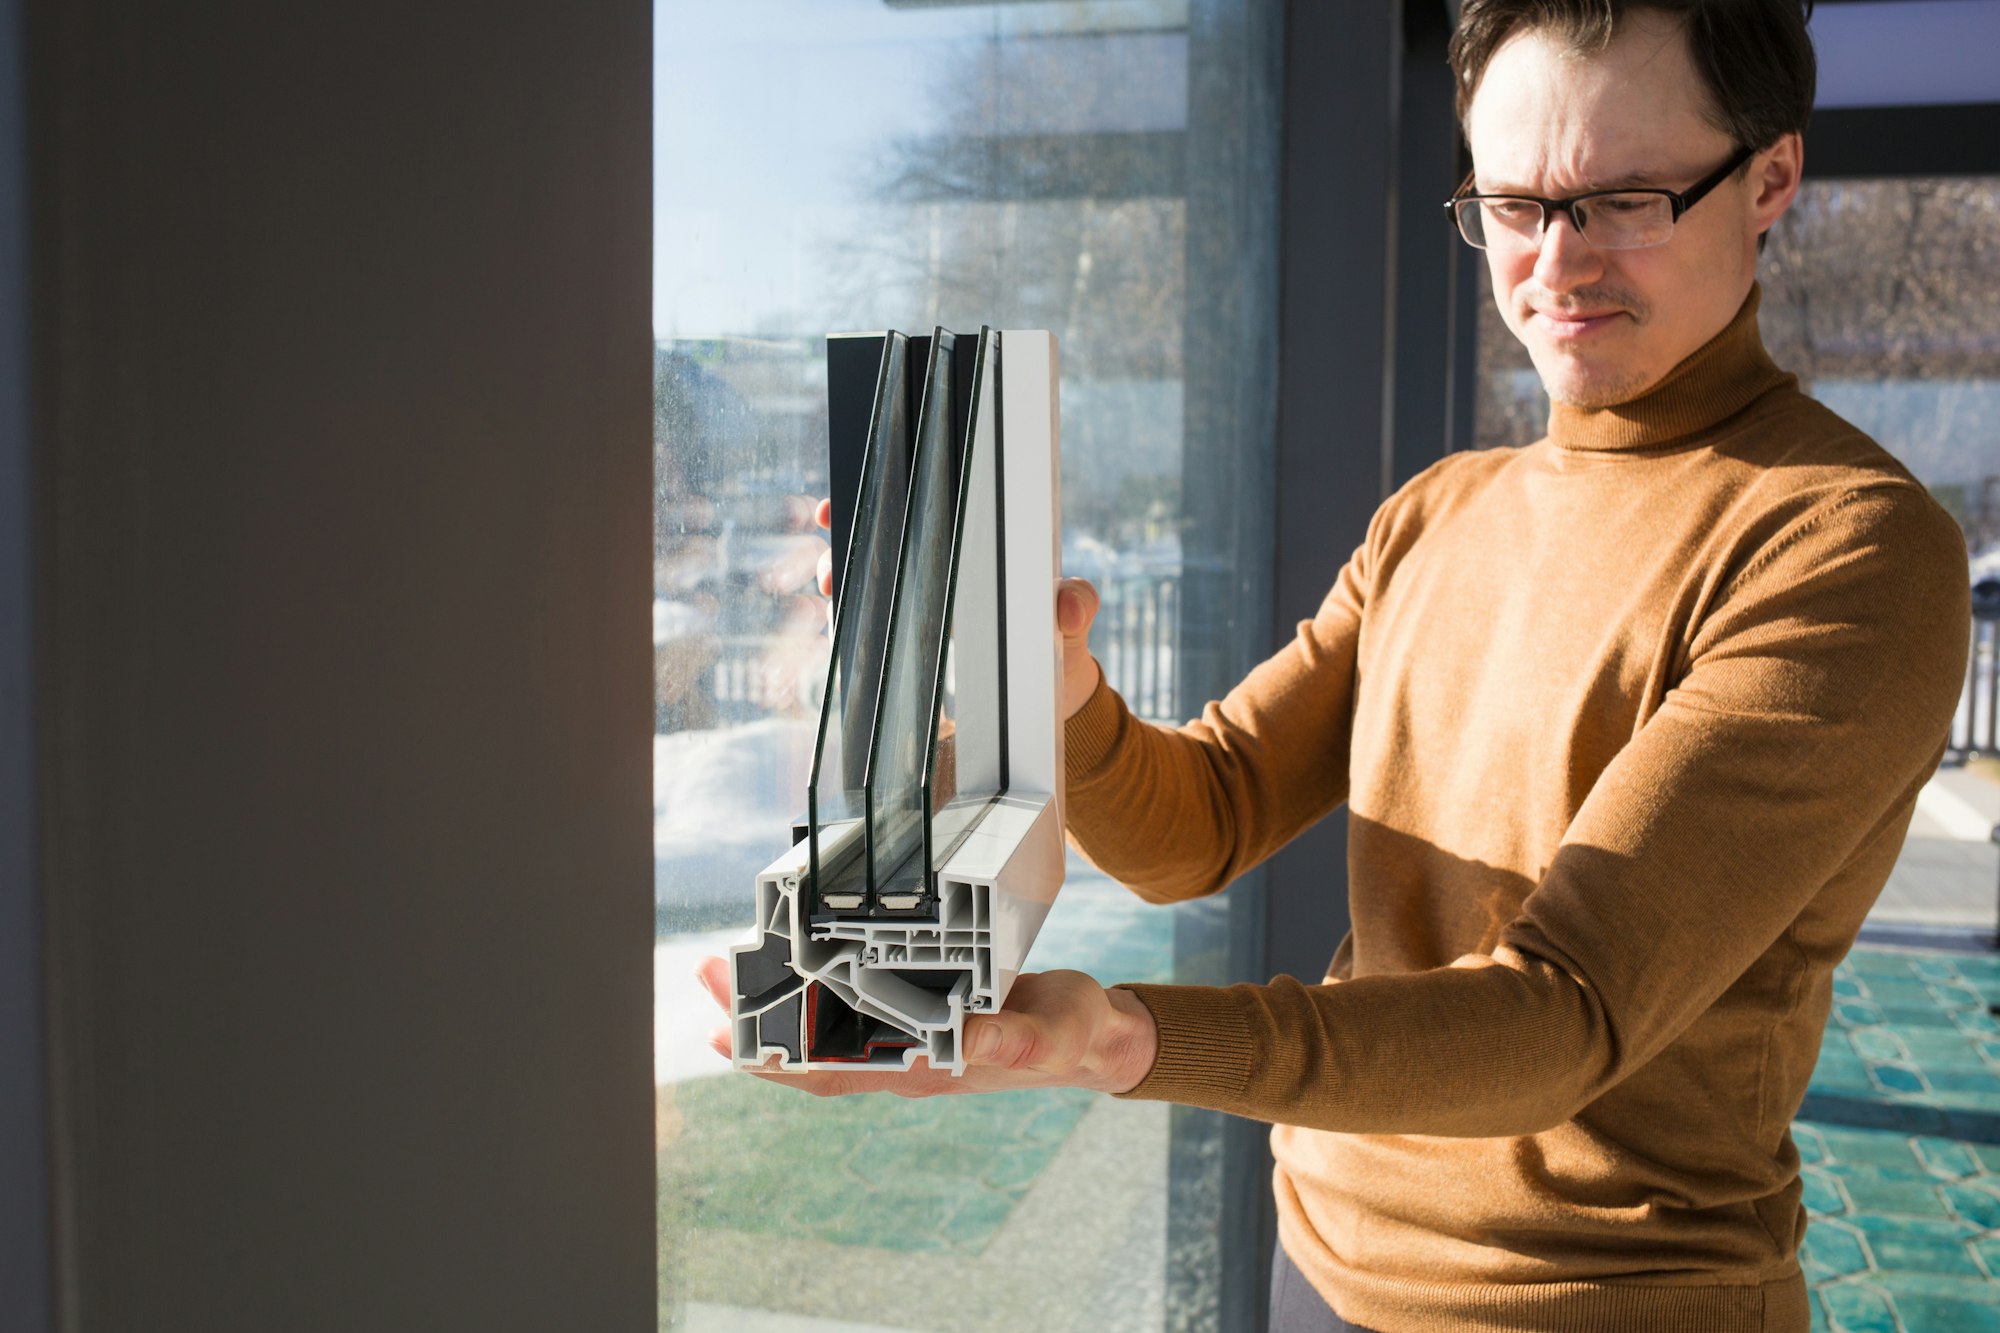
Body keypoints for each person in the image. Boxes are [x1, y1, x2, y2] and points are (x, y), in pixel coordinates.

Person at [698, 2, 1972, 1328]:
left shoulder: (1848, 549)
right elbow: (1206, 817)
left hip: (1603, 1302)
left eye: (1624, 199)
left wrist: (1117, 1035)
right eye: (1515, 205)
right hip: (1317, 1259)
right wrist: (1061, 686)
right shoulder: (1437, 514)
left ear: (1770, 177)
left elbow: (1566, 1016)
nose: (1556, 263)